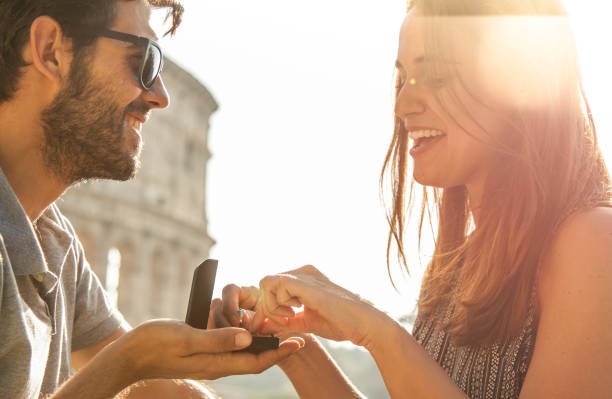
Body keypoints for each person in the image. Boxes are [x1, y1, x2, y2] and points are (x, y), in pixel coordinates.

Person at [212, 0, 612, 398]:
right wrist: (292, 348)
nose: (402, 106)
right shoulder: (455, 267)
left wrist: (373, 328)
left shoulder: (593, 242)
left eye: (436, 75)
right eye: (402, 79)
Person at [0, 1, 304, 398]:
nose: (161, 96)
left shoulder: (52, 240)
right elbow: (128, 365)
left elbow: (157, 389)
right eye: (143, 60)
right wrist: (129, 361)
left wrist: (184, 353)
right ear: (50, 50)